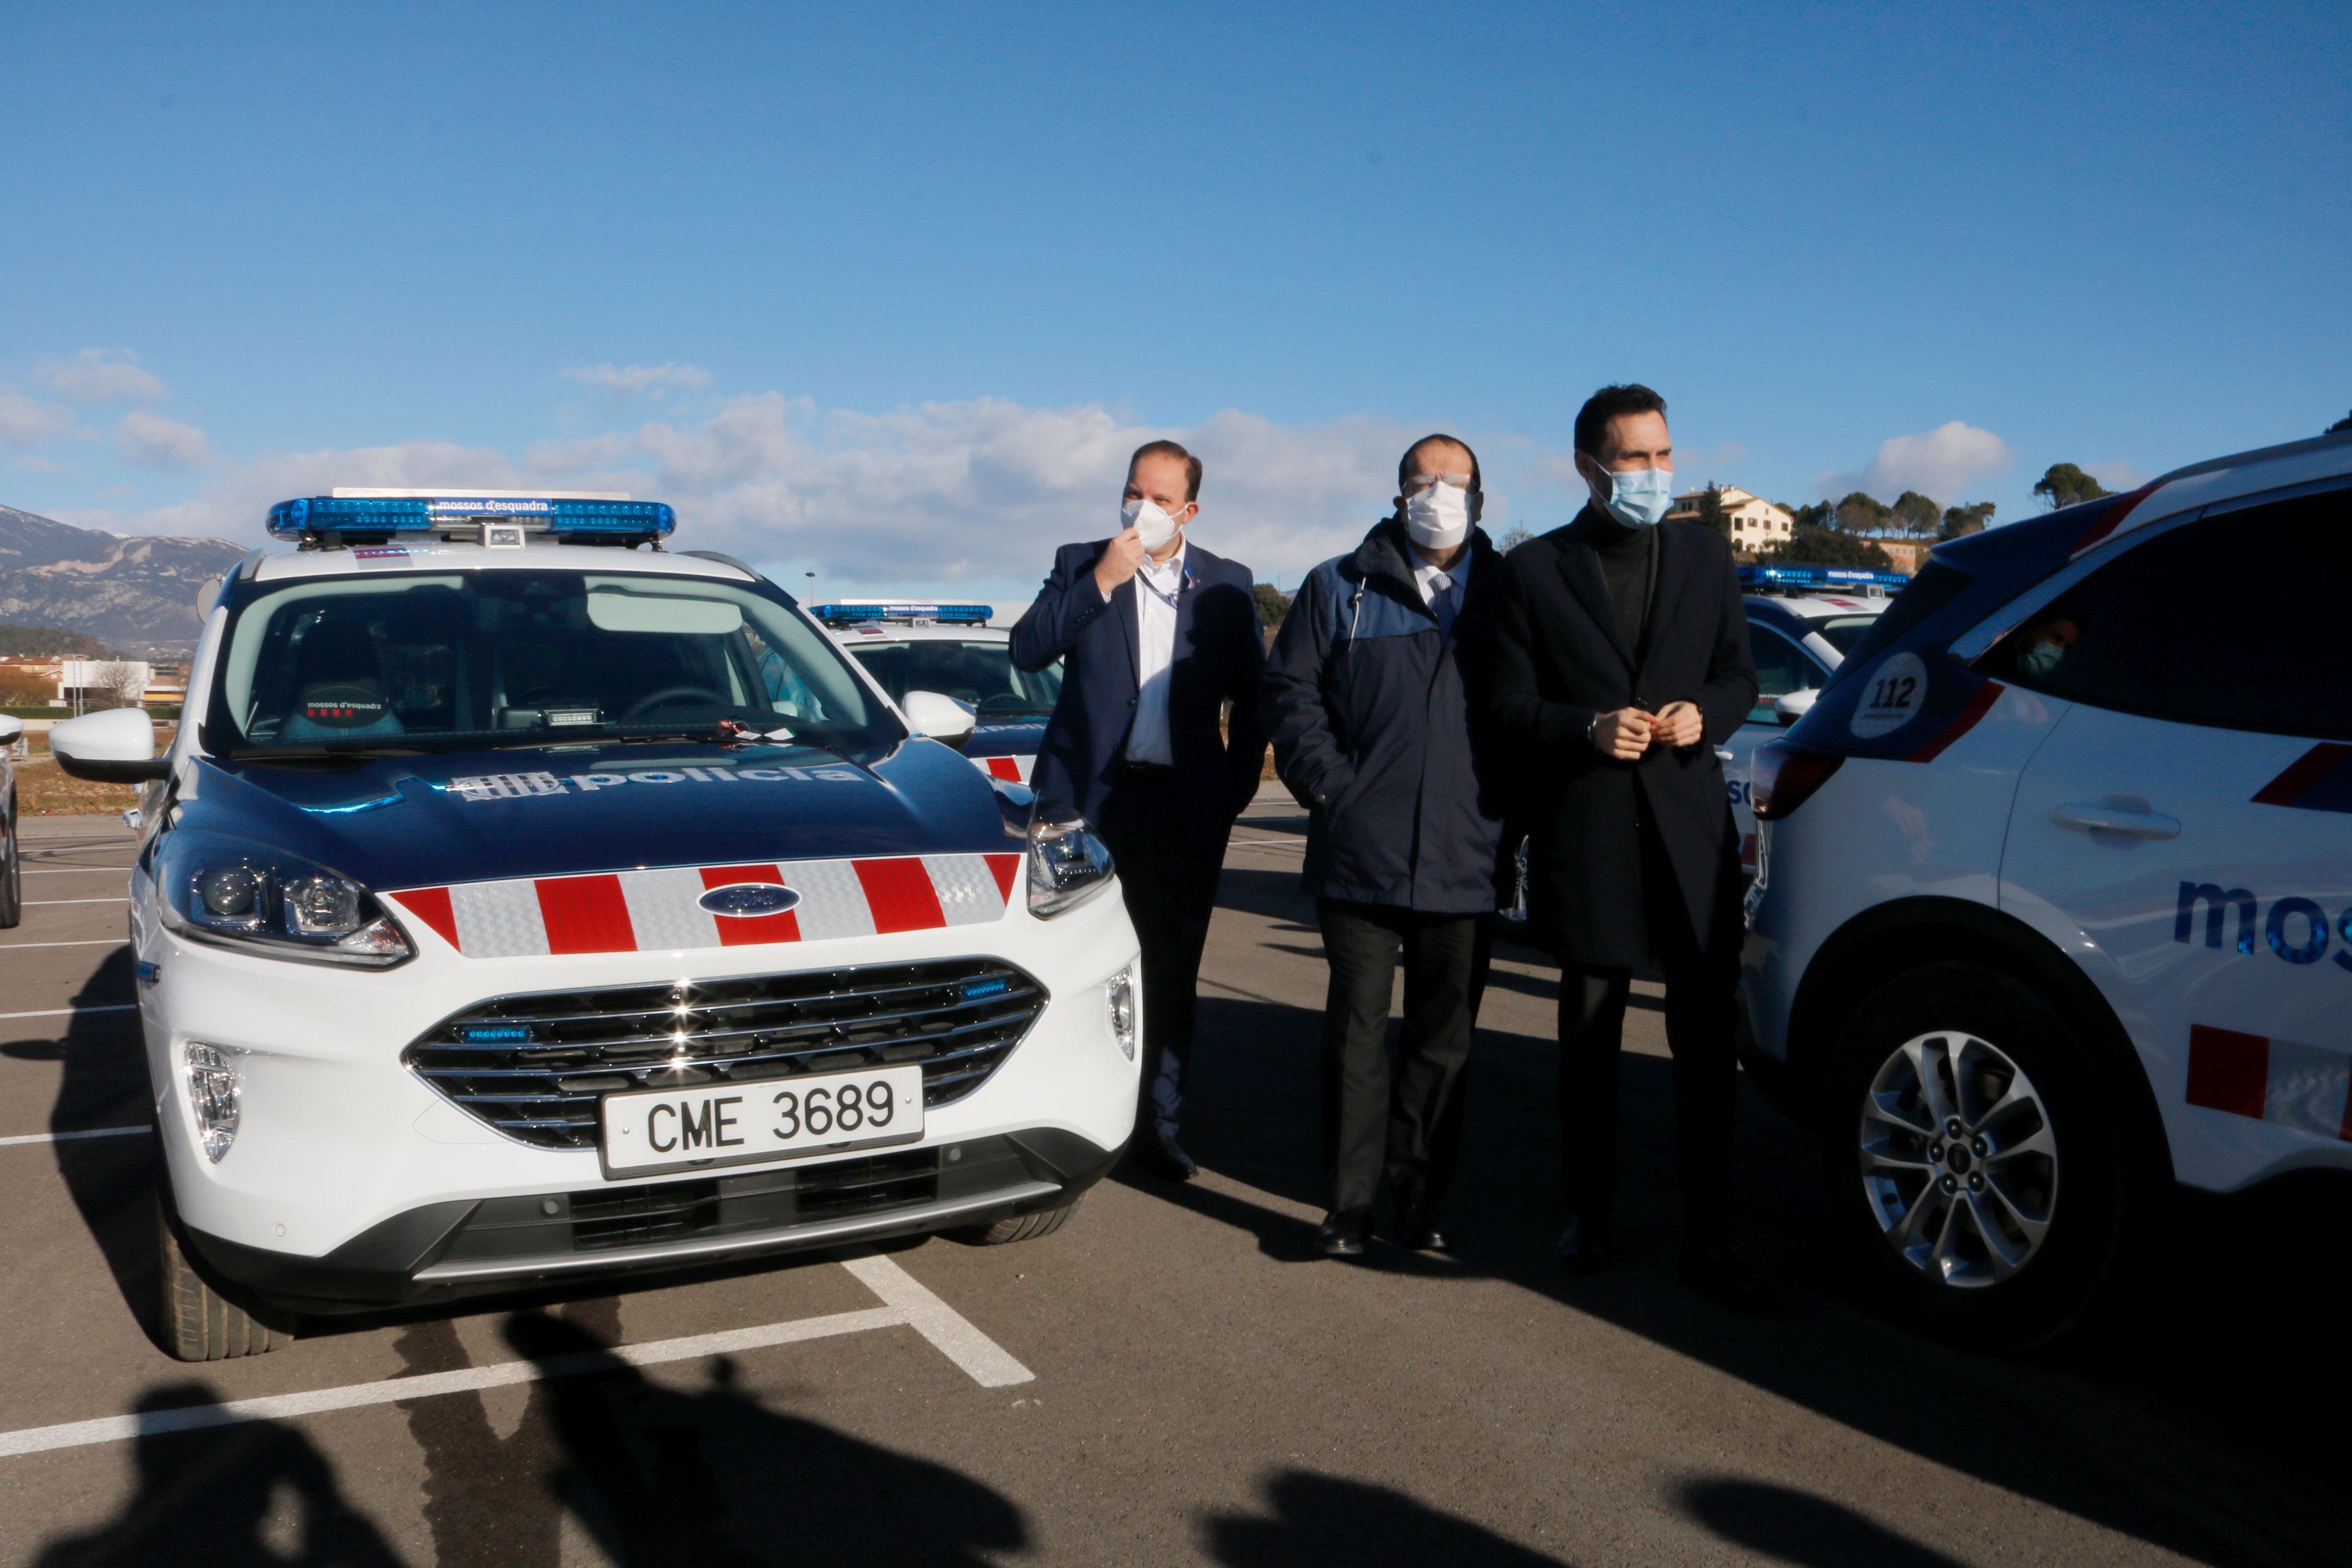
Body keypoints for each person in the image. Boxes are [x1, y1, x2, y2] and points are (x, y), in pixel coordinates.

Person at [1490, 384, 1774, 1311]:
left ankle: (1710, 1235)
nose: (1655, 474)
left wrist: (1708, 714)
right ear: (1587, 466)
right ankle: (1589, 1213)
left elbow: (1738, 672)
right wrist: (1585, 729)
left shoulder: (1702, 552)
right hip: (1593, 832)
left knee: (1703, 1046)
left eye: (1663, 455)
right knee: (1590, 1039)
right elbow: (1503, 707)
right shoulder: (1536, 570)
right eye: (1635, 458)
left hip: (1691, 834)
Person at [1262, 435, 1510, 1256]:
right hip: (1358, 852)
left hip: (1467, 857)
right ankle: (1349, 1207)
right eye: (1423, 480)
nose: (1438, 493)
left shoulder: (1509, 596)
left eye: (1456, 482)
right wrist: (1333, 788)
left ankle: (1421, 1199)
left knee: (1444, 1045)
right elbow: (1291, 692)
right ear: (1399, 492)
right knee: (1357, 1036)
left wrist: (1509, 812)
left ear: (1481, 497)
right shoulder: (1340, 585)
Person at [1010, 439, 1266, 1182]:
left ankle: (1157, 1126)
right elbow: (1027, 650)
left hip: (1182, 804)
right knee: (1069, 963)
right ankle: (1058, 1118)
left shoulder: (1227, 583)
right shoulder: (1079, 561)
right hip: (1088, 804)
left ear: (1188, 510)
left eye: (1159, 499)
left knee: (1169, 970)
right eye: (1132, 492)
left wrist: (1235, 787)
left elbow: (1254, 696)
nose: (1141, 509)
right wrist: (1101, 580)